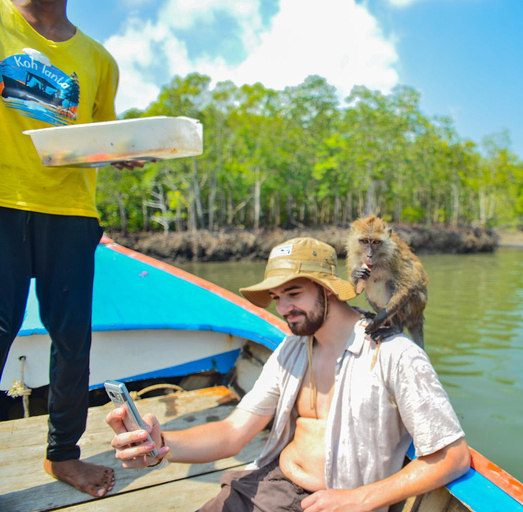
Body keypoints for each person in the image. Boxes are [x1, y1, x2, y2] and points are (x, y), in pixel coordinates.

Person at [107, 237, 471, 512]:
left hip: (339, 503)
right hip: (271, 483)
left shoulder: (395, 354)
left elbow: (453, 456)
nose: (283, 308)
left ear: (328, 290)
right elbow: (233, 433)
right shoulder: (293, 347)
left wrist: (359, 499)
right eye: (277, 297)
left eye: (293, 293)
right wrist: (160, 444)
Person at [0, 0, 142, 498]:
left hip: (71, 212)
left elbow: (97, 138)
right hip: (3, 201)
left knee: (72, 340)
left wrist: (124, 149)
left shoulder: (99, 59)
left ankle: (62, 455)